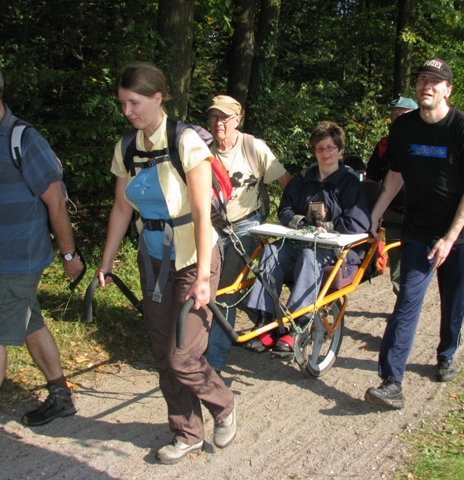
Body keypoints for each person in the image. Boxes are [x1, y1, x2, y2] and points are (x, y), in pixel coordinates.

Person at [96, 62, 236, 465]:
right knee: (162, 353)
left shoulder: (186, 140)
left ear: (158, 97)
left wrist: (206, 277)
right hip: (154, 258)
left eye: (134, 102)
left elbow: (200, 210)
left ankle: (223, 404)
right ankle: (187, 432)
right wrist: (106, 263)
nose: (128, 112)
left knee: (183, 356)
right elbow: (122, 208)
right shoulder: (127, 147)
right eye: (123, 104)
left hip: (195, 257)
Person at [0, 58, 84, 469]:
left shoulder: (25, 140)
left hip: (20, 257)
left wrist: (68, 255)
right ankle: (61, 396)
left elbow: (55, 200)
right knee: (30, 323)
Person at [364, 58, 464, 410]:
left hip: (461, 234)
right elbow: (395, 177)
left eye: (435, 81)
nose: (426, 86)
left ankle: (446, 354)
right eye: (421, 80)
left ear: (448, 88)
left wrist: (450, 237)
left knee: (453, 301)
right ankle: (391, 382)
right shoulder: (404, 129)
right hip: (419, 229)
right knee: (406, 302)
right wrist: (376, 214)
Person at [244, 122, 371, 355]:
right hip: (300, 240)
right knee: (271, 251)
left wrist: (327, 228)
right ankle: (265, 322)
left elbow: (358, 222)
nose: (325, 153)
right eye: (320, 148)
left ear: (340, 150)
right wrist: (300, 222)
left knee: (309, 255)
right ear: (314, 150)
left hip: (333, 249)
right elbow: (285, 209)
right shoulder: (304, 179)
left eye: (331, 148)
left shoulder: (350, 183)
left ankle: (297, 325)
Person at [204, 95, 291, 373]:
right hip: (211, 226)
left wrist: (293, 217)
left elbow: (285, 181)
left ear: (237, 120)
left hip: (247, 226)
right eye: (214, 117)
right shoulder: (203, 150)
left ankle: (212, 363)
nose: (218, 123)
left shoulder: (254, 147)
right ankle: (268, 320)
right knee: (202, 281)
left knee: (224, 291)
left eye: (224, 118)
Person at [365, 96, 418, 295]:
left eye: (401, 114)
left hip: (422, 213)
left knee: (419, 260)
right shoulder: (384, 146)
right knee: (396, 261)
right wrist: (373, 214)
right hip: (394, 212)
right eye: (393, 114)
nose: (396, 118)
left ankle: (411, 301)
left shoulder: (426, 143)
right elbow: (371, 181)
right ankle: (402, 303)